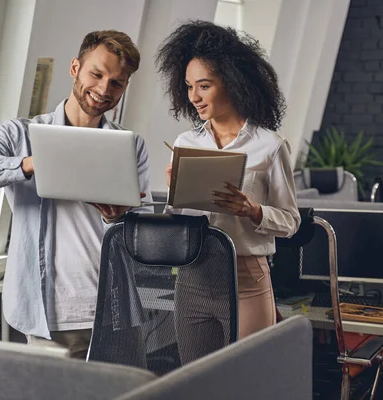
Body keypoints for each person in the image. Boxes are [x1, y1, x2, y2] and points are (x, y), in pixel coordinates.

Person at [0, 30, 153, 359]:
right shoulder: (20, 134)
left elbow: (142, 237)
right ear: (75, 68)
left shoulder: (130, 145)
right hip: (51, 317)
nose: (103, 90)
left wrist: (117, 217)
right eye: (96, 74)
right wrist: (27, 164)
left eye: (117, 83)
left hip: (117, 311)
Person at [156, 20, 301, 348]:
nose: (194, 96)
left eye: (204, 86)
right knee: (197, 383)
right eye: (189, 86)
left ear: (233, 83)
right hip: (192, 276)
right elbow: (178, 218)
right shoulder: (186, 141)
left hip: (246, 280)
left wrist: (253, 210)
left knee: (245, 384)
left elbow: (291, 222)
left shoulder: (270, 146)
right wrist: (175, 192)